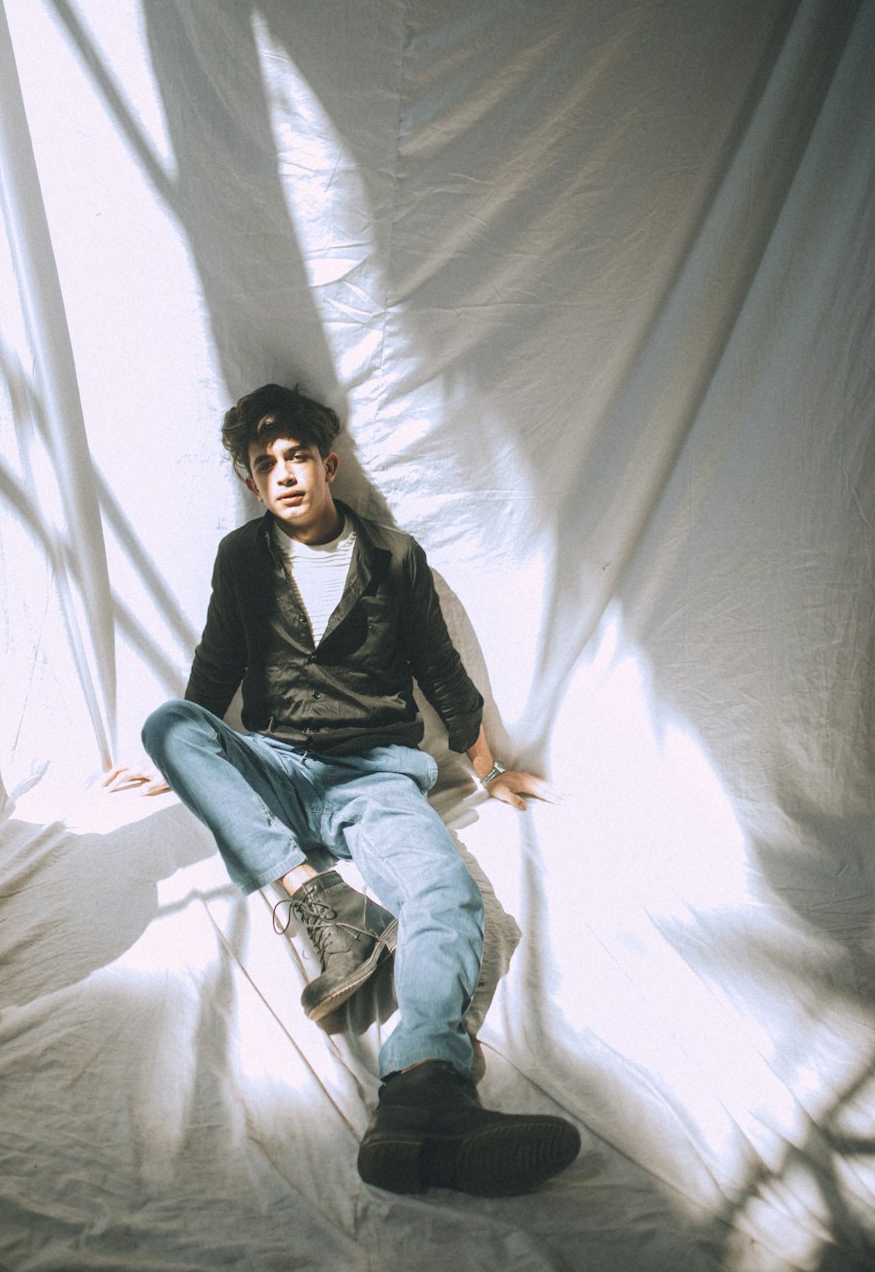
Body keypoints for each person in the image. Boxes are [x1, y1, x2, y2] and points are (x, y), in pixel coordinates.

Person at [119, 383, 580, 1196]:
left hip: (374, 778)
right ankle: (319, 899)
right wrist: (178, 761)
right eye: (266, 465)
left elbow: (443, 672)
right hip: (280, 766)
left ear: (329, 465)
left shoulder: (396, 558)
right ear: (253, 484)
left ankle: (423, 1086)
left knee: (451, 897)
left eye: (297, 457)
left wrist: (489, 762)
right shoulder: (240, 557)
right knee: (168, 724)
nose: (285, 474)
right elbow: (216, 666)